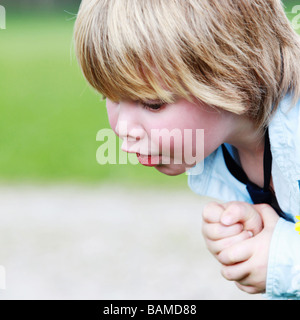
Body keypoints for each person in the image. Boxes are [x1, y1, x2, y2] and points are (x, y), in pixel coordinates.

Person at [74, 0, 300, 299]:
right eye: (110, 97)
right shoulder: (226, 147)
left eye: (153, 104)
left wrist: (285, 259)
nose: (124, 129)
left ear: (239, 75)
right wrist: (257, 233)